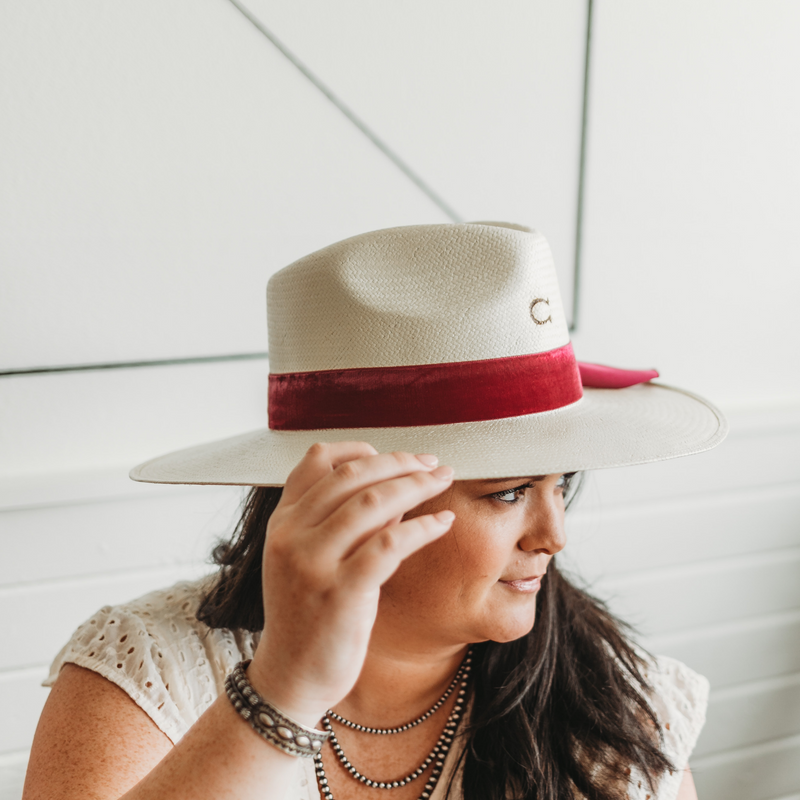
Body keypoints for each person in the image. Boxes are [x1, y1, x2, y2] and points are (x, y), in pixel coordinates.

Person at [23, 223, 726, 800]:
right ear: (359, 498)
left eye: (560, 485)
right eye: (508, 492)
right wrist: (282, 693)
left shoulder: (618, 709)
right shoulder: (148, 677)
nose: (555, 536)